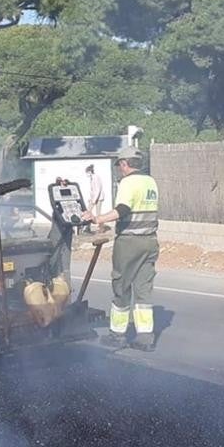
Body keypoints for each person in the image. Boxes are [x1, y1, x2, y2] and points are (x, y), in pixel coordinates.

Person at [82, 147, 159, 351]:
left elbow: (123, 209)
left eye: (119, 164)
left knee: (121, 286)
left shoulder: (128, 182)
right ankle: (145, 338)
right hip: (150, 241)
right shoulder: (150, 181)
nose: (118, 169)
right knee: (143, 290)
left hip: (130, 241)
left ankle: (117, 335)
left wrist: (97, 218)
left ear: (125, 163)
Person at [85, 164, 106, 233]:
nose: (87, 174)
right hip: (94, 198)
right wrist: (90, 198)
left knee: (98, 214)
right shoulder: (92, 178)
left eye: (87, 172)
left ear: (90, 171)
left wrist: (94, 200)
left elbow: (98, 190)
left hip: (98, 198)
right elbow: (92, 190)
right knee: (88, 212)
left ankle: (101, 228)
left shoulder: (96, 177)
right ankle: (87, 227)